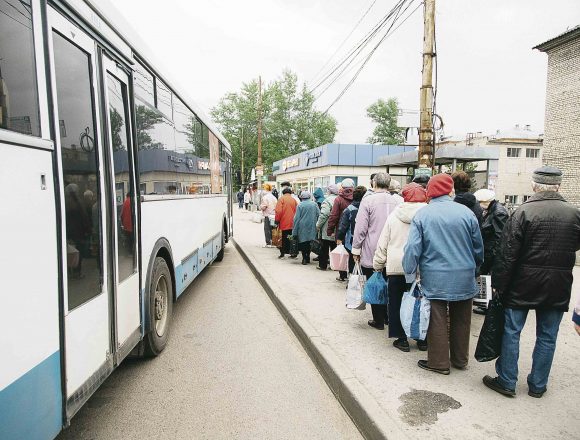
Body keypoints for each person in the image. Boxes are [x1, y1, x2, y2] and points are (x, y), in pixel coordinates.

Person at [483, 166, 580, 398]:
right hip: (558, 284)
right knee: (548, 336)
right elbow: (574, 245)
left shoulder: (523, 212)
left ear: (534, 185)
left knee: (512, 331)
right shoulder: (574, 213)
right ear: (558, 186)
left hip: (522, 283)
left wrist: (498, 283)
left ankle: (507, 381)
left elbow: (507, 253)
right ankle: (538, 385)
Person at [403, 173, 483, 375]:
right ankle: (460, 359)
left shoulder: (423, 215)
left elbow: (413, 248)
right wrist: (475, 267)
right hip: (464, 275)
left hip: (435, 276)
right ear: (450, 190)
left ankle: (438, 363)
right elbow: (478, 248)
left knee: (437, 317)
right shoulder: (467, 213)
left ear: (430, 191)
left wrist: (409, 271)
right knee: (462, 319)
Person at [373, 183, 428, 351]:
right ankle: (422, 339)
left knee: (396, 302)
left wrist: (378, 264)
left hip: (396, 266)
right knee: (421, 302)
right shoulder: (428, 215)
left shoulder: (394, 216)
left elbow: (384, 242)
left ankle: (401, 338)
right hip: (421, 268)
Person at [352, 173, 401, 330]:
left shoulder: (368, 201)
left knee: (374, 283)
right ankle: (388, 316)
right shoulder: (398, 201)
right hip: (393, 247)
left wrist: (356, 249)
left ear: (373, 183)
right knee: (390, 283)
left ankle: (378, 319)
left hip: (372, 248)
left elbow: (360, 228)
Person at [472, 188, 509, 314]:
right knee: (485, 278)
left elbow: (501, 235)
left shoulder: (499, 213)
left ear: (485, 201)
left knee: (488, 279)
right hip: (489, 250)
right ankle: (485, 304)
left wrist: (495, 254)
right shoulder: (493, 210)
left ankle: (487, 305)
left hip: (492, 252)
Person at [327, 178, 355, 281]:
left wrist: (330, 230)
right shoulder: (357, 198)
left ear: (342, 188)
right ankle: (352, 275)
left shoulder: (338, 199)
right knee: (352, 253)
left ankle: (342, 275)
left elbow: (333, 216)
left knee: (342, 252)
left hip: (341, 230)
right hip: (354, 230)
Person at [336, 185, 366, 273]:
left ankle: (352, 281)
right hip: (365, 241)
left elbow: (343, 226)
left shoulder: (349, 210)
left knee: (352, 262)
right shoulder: (368, 208)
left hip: (351, 241)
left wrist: (339, 238)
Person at [292, 191, 320, 265]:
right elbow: (319, 214)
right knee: (310, 241)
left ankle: (304, 258)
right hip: (312, 225)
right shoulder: (314, 204)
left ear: (301, 197)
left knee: (303, 242)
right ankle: (308, 256)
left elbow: (297, 218)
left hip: (302, 226)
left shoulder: (300, 205)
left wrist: (294, 230)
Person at [316, 184, 339, 271]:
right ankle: (335, 265)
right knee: (334, 247)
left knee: (324, 247)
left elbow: (323, 215)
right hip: (337, 228)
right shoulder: (340, 199)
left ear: (329, 191)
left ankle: (323, 265)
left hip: (327, 228)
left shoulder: (327, 200)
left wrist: (318, 225)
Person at [275, 187, 298, 259]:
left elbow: (278, 211)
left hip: (284, 222)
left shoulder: (281, 199)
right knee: (291, 237)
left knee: (283, 238)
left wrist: (277, 220)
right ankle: (292, 253)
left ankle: (282, 254)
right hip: (292, 222)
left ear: (283, 193)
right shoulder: (294, 200)